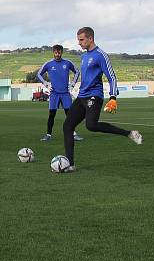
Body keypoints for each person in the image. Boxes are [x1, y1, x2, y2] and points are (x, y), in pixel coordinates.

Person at [61, 27, 143, 172]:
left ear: (90, 38)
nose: (79, 43)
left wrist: (113, 97)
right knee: (67, 127)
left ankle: (129, 133)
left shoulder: (101, 55)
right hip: (81, 97)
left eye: (81, 40)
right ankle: (70, 164)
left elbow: (111, 76)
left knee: (91, 125)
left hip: (94, 96)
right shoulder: (84, 56)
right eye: (78, 40)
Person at [37, 44, 83, 142]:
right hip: (54, 94)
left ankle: (73, 134)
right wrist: (46, 84)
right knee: (52, 115)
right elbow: (39, 74)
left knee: (70, 115)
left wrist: (72, 84)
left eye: (59, 52)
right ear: (53, 52)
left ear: (62, 52)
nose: (57, 54)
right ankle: (48, 135)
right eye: (56, 52)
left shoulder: (67, 62)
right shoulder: (48, 64)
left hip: (65, 93)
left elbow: (77, 72)